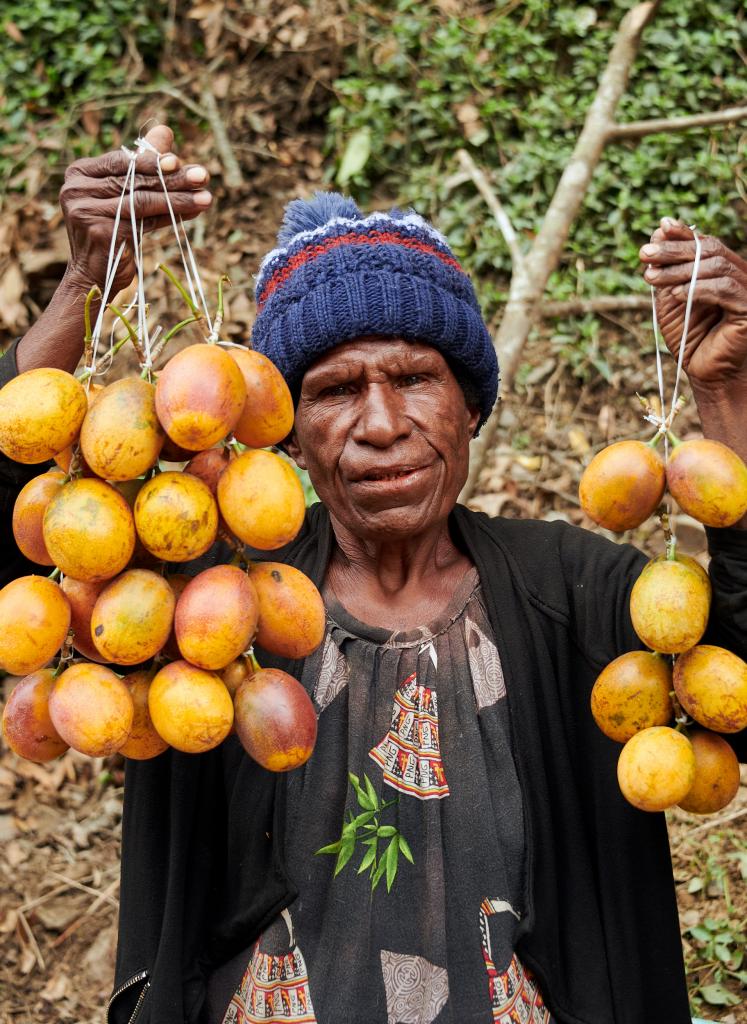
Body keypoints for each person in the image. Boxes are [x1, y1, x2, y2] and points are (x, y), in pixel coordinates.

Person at [1, 124, 746, 1024]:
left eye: (415, 378)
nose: (382, 422)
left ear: (470, 406)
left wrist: (725, 397)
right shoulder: (200, 610)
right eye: (336, 389)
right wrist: (83, 292)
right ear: (283, 431)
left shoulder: (575, 592)